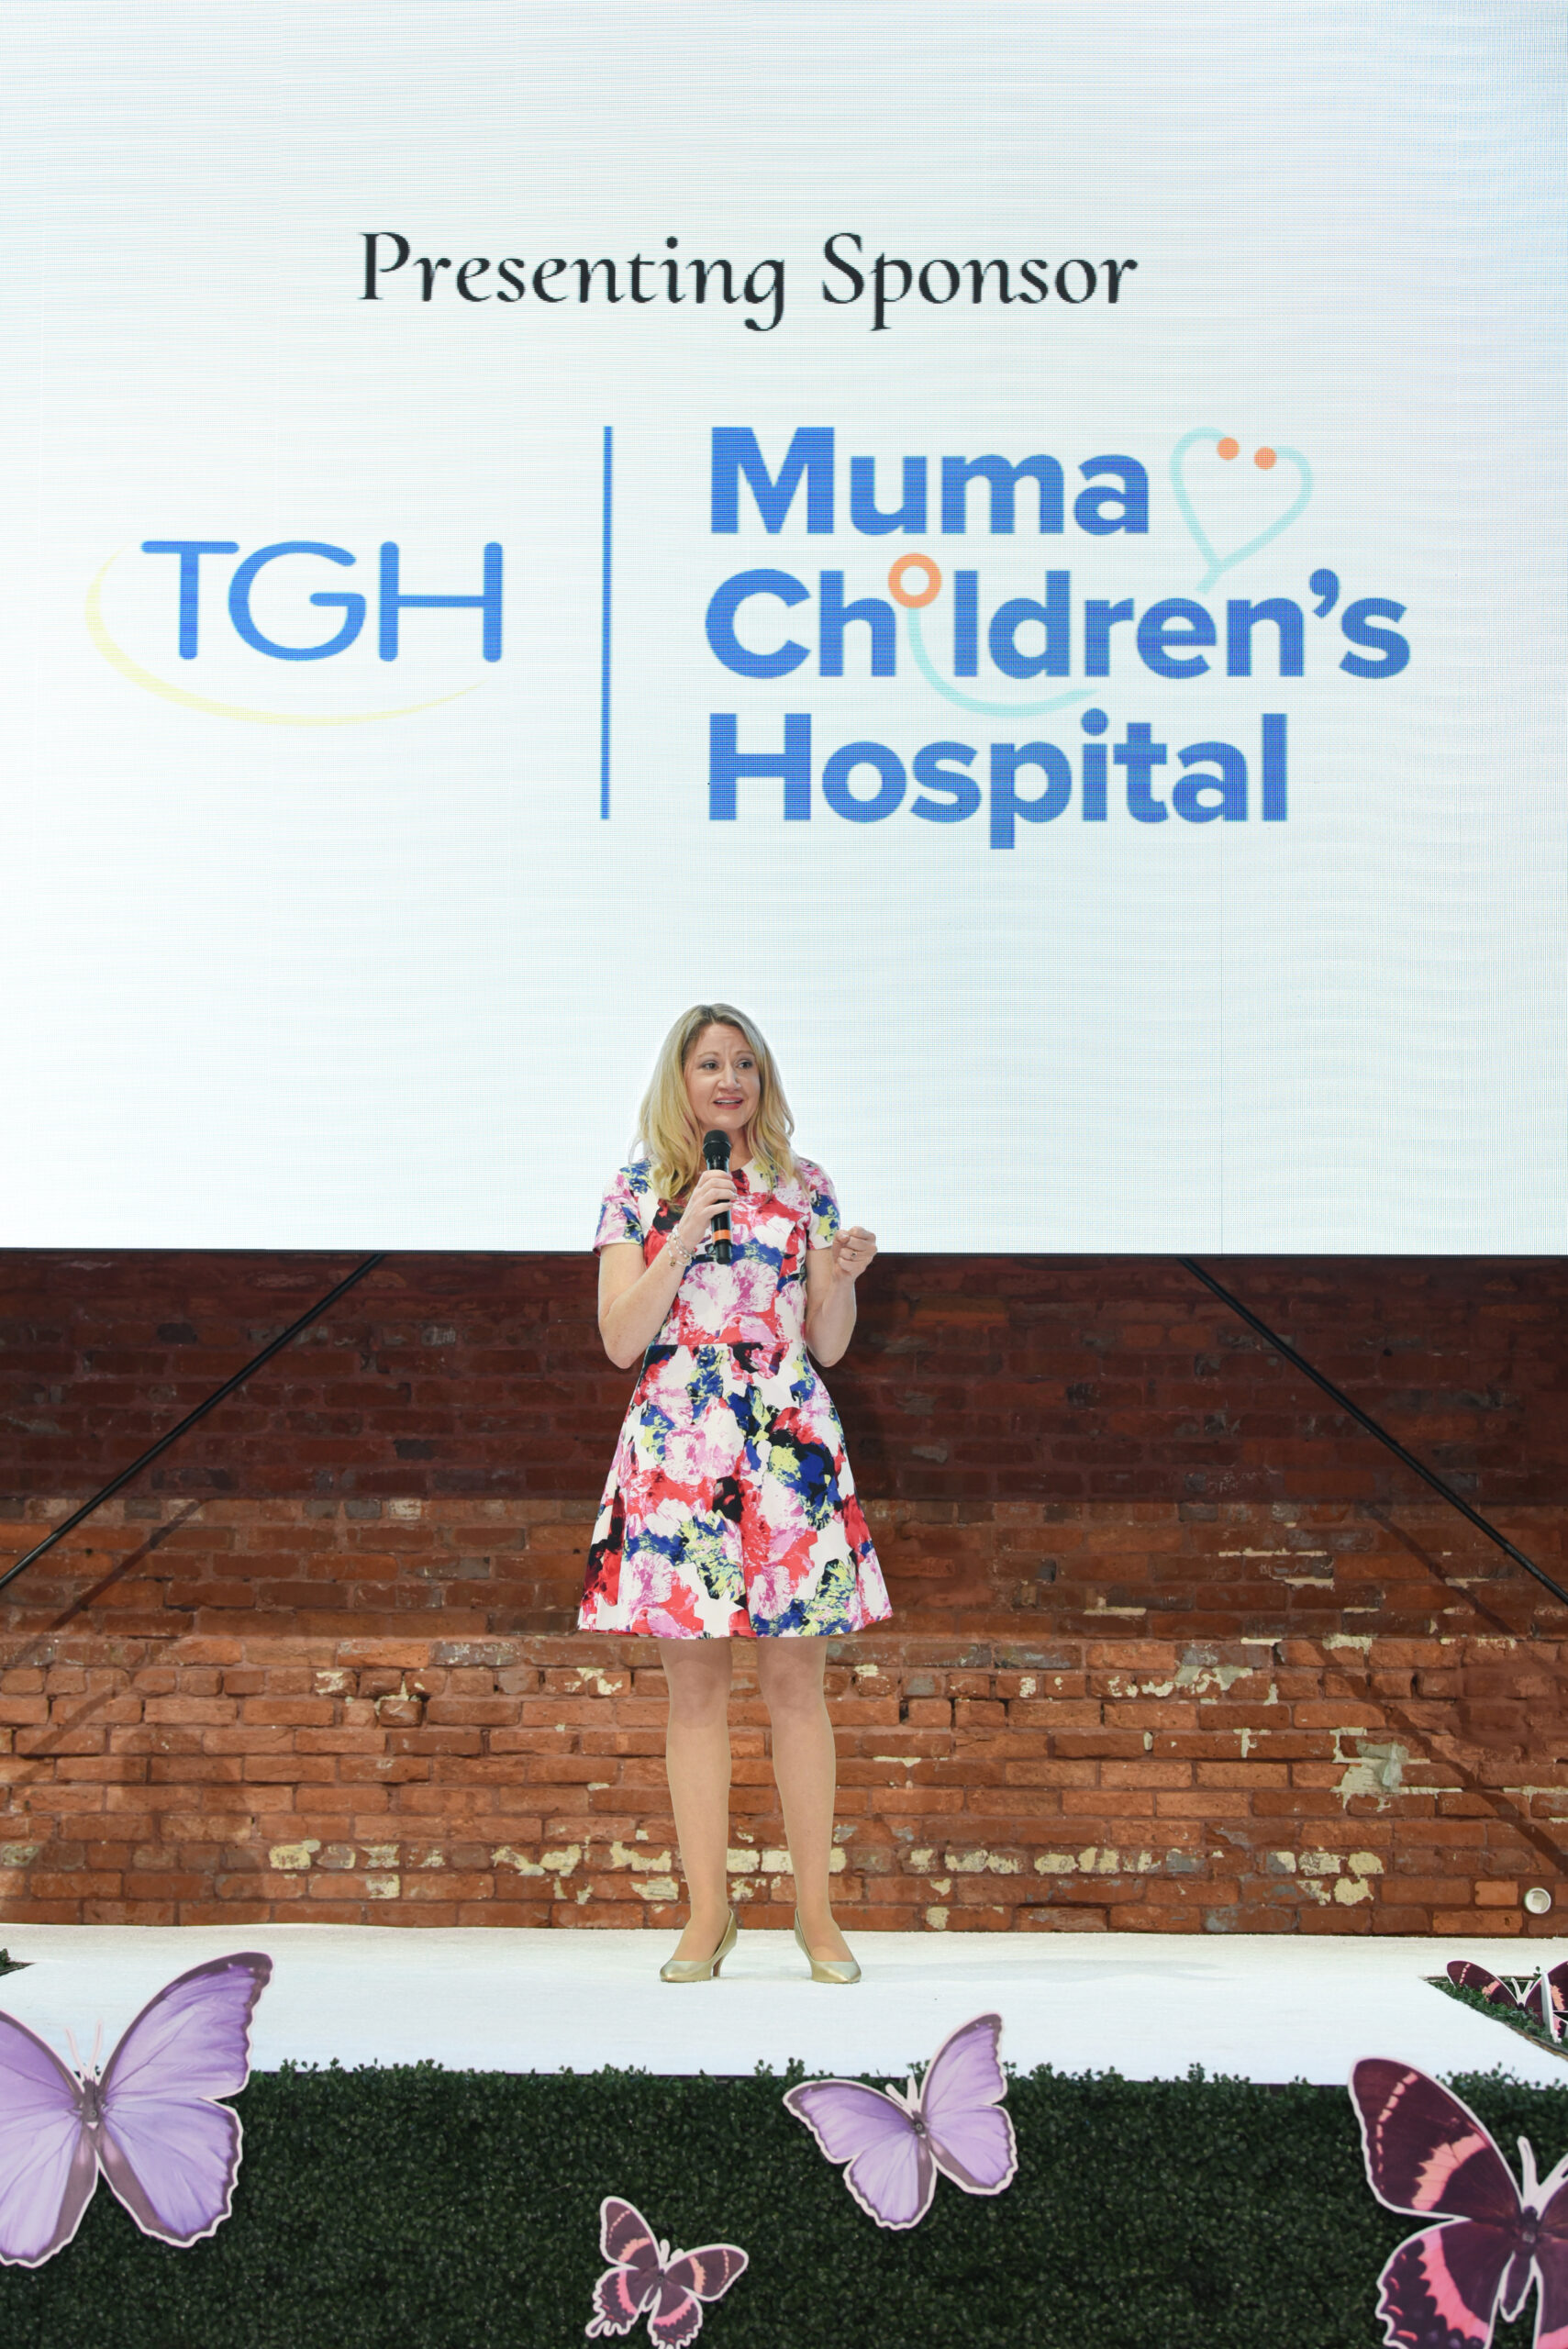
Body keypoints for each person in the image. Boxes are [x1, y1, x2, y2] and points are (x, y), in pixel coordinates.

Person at [581, 1002, 890, 1985]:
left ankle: (816, 1915)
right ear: (678, 1080)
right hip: (679, 1443)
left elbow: (827, 1340)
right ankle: (707, 1913)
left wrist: (841, 1276)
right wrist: (681, 1235)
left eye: (744, 1064)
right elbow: (619, 1340)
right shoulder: (637, 1190)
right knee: (696, 1692)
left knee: (796, 1684)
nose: (729, 1080)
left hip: (786, 1442)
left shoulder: (805, 1186)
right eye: (710, 1063)